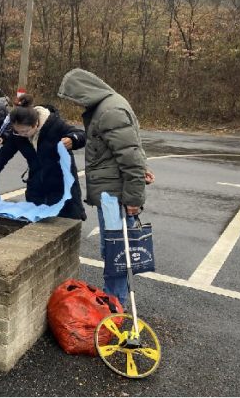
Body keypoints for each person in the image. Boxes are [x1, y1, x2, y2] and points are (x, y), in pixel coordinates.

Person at [57, 68, 155, 308]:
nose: (75, 103)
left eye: (75, 98)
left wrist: (134, 197)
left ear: (84, 91)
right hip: (111, 192)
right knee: (115, 249)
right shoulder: (109, 106)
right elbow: (132, 148)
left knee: (116, 251)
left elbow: (129, 155)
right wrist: (143, 168)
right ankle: (114, 299)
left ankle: (115, 304)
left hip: (114, 196)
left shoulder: (110, 112)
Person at [0, 94, 87, 220]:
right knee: (38, 223)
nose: (22, 134)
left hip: (62, 185)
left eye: (25, 131)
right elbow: (2, 157)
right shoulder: (17, 136)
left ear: (36, 123)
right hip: (36, 186)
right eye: (18, 131)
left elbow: (81, 134)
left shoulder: (55, 124)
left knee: (65, 222)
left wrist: (73, 139)